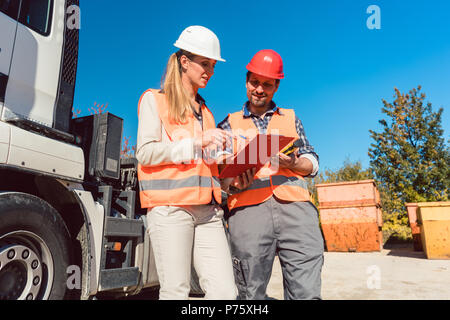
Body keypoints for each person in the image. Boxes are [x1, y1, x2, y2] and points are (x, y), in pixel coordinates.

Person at [136, 26, 237, 300]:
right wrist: (196, 142)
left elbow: (205, 167)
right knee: (176, 292)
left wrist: (232, 173)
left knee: (226, 292)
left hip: (208, 212)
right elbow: (144, 153)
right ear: (184, 61)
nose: (210, 71)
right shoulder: (154, 100)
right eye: (205, 63)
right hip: (170, 209)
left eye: (213, 65)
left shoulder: (207, 113)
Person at [218, 49, 324, 300]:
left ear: (276, 87)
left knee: (306, 292)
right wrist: (231, 185)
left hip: (296, 211)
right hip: (247, 212)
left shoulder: (291, 118)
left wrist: (295, 163)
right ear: (246, 82)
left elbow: (312, 161)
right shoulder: (228, 123)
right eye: (254, 82)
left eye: (267, 84)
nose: (259, 89)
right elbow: (219, 173)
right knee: (250, 294)